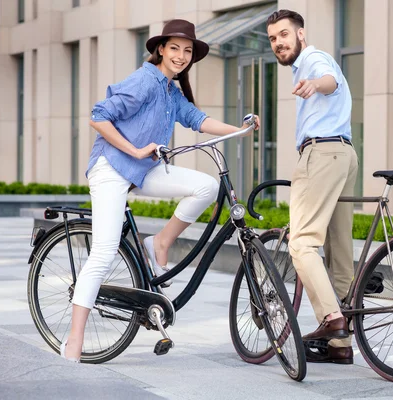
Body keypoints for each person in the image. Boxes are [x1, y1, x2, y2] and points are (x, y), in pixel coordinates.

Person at [61, 19, 259, 361]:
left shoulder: (171, 91)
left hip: (144, 170)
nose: (181, 56)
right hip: (112, 167)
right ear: (161, 49)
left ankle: (161, 242)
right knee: (105, 251)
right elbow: (98, 116)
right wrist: (135, 150)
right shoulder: (145, 80)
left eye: (187, 51)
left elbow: (198, 120)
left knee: (206, 186)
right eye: (175, 49)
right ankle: (74, 342)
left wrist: (240, 130)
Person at [266, 10, 359, 364]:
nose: (279, 43)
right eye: (273, 39)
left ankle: (331, 319)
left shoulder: (313, 60)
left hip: (320, 153)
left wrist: (314, 84)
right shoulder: (305, 63)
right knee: (338, 250)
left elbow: (329, 81)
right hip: (344, 154)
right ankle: (340, 346)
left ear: (301, 34)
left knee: (302, 242)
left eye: (284, 35)